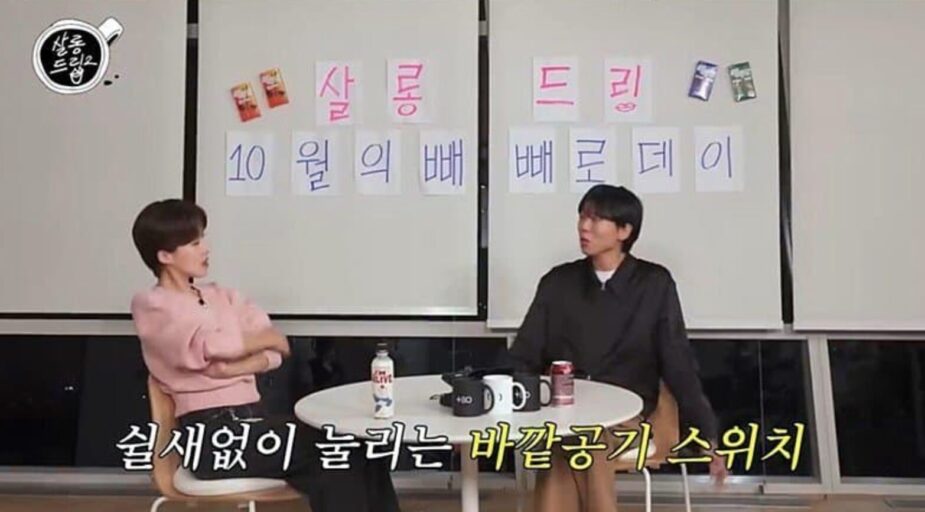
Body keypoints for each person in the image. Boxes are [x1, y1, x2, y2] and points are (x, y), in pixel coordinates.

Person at [130, 199, 400, 512]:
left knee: (358, 446)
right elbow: (206, 347)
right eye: (194, 243)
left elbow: (275, 348)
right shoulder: (152, 305)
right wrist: (250, 345)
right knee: (334, 454)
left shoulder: (224, 296)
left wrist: (234, 366)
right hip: (212, 438)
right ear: (165, 256)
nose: (206, 248)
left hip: (255, 422)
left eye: (203, 239)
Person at [506, 185, 727, 512]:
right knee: (564, 438)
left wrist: (707, 434)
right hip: (565, 410)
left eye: (596, 219)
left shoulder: (654, 283)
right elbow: (525, 353)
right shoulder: (558, 282)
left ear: (624, 231)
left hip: (628, 416)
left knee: (584, 441)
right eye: (582, 216)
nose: (584, 226)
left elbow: (678, 363)